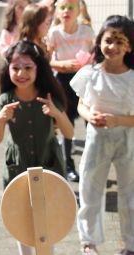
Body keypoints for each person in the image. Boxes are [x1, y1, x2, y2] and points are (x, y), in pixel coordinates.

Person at [0, 40, 74, 255]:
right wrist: (1, 119)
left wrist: (56, 114)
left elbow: (69, 133)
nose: (21, 73)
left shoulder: (48, 98)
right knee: (21, 220)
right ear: (7, 68)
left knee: (46, 219)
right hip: (17, 169)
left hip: (48, 166)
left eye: (28, 67)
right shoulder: (5, 99)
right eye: (15, 67)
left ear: (38, 68)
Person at [70, 15, 134, 255]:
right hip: (97, 140)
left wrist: (118, 120)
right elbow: (81, 105)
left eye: (120, 42)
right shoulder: (91, 74)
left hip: (128, 141)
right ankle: (88, 241)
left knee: (130, 192)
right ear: (99, 42)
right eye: (109, 40)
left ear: (129, 46)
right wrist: (89, 116)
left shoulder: (131, 78)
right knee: (90, 188)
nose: (113, 47)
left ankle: (130, 243)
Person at [47, 0, 94, 182]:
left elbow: (93, 56)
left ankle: (90, 165)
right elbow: (48, 59)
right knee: (67, 123)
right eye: (63, 7)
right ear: (57, 12)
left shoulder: (86, 31)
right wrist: (61, 64)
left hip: (84, 80)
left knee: (88, 122)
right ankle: (68, 166)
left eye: (71, 7)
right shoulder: (54, 33)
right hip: (63, 81)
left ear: (78, 10)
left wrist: (85, 63)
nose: (67, 11)